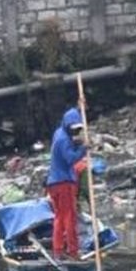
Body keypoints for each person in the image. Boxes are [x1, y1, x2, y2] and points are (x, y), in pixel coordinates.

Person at [46, 107, 89, 260]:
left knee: (59, 216)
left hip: (53, 182)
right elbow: (71, 159)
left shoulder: (59, 133)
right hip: (63, 182)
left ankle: (58, 249)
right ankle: (72, 250)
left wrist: (80, 106)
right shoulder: (64, 140)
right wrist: (84, 149)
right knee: (69, 217)